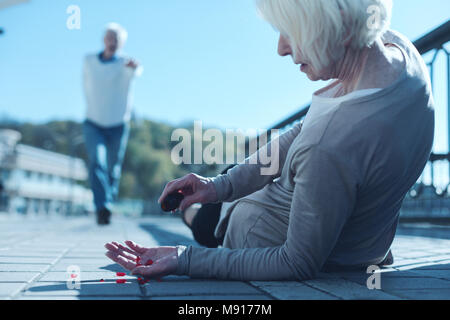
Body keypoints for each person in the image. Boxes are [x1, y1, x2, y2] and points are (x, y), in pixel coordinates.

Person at [105, 0, 434, 280]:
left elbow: (297, 262)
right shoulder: (400, 53)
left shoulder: (330, 144)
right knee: (222, 184)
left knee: (202, 218)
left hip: (257, 234)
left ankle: (187, 212)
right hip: (354, 241)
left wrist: (183, 258)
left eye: (293, 32)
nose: (281, 48)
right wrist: (219, 185)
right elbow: (301, 133)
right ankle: (206, 196)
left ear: (345, 29)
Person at [82, 23, 142, 225]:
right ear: (103, 39)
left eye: (116, 38)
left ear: (121, 42)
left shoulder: (126, 64)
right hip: (93, 122)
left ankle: (108, 200)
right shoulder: (89, 61)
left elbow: (136, 71)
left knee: (113, 169)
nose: (112, 41)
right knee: (97, 162)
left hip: (118, 124)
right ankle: (102, 207)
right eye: (109, 37)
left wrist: (134, 68)